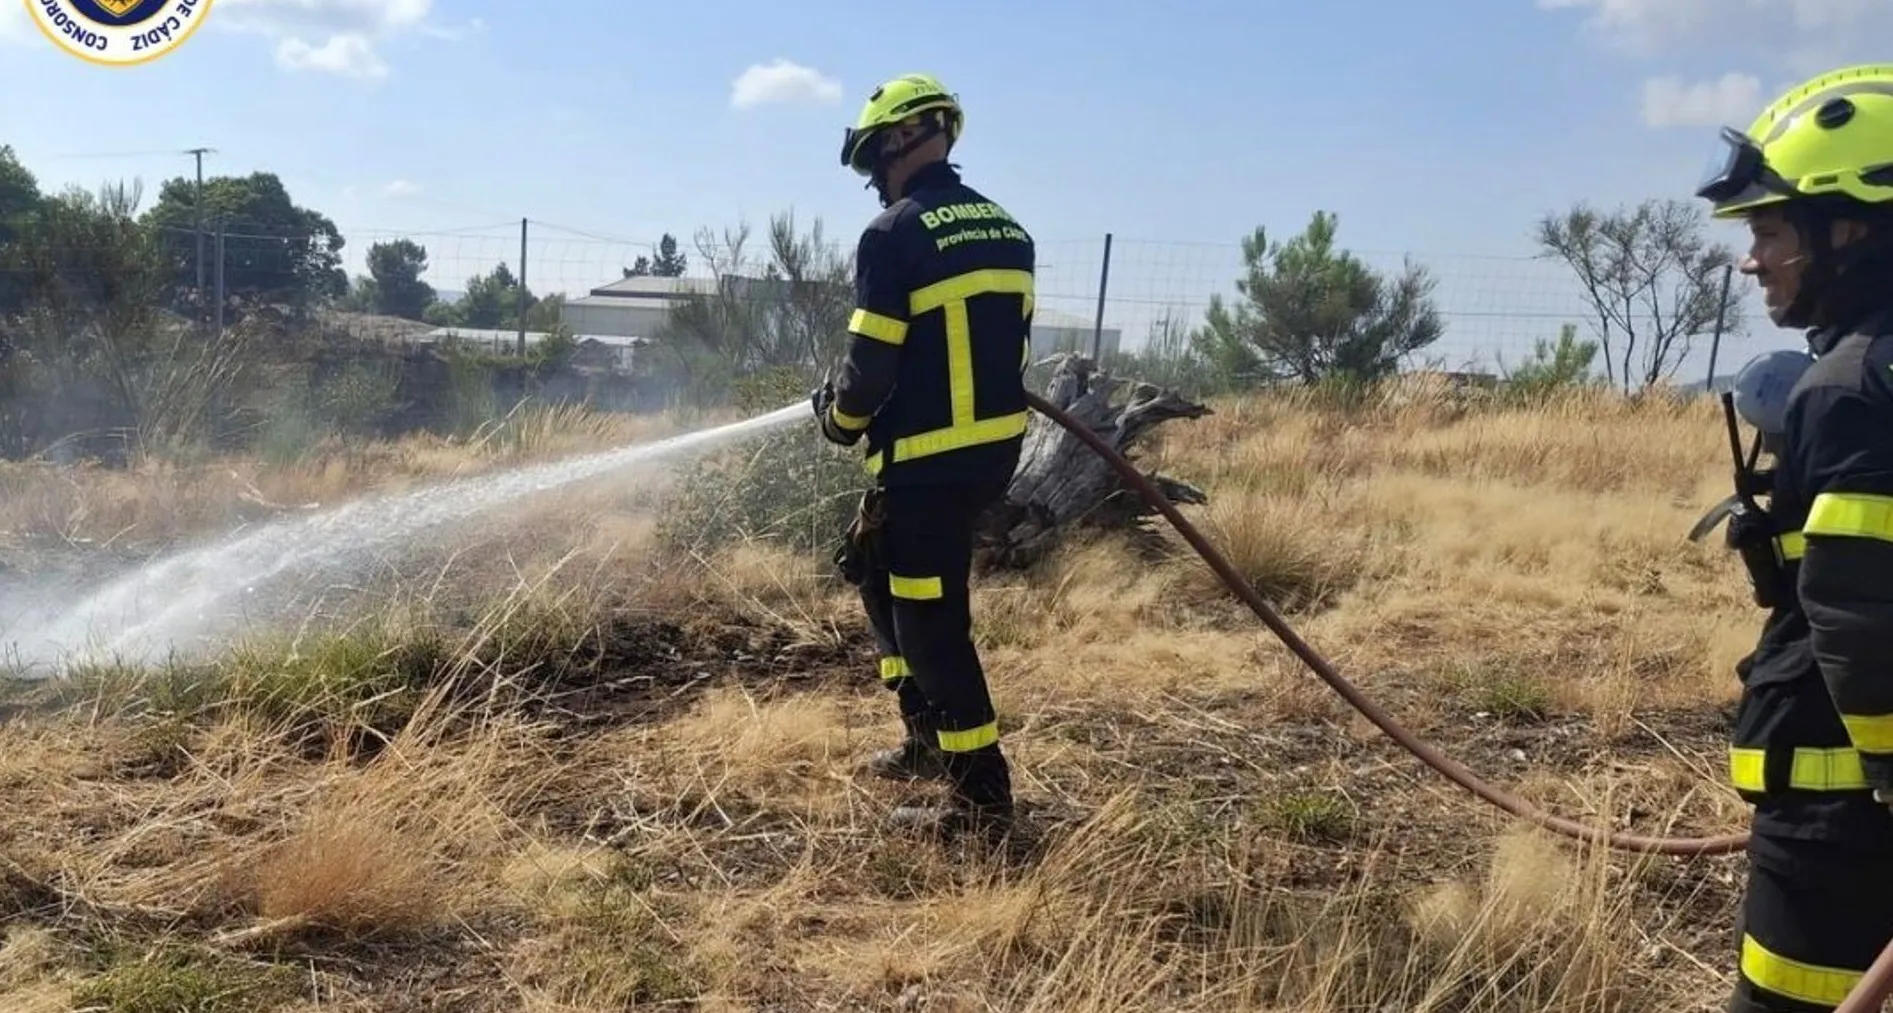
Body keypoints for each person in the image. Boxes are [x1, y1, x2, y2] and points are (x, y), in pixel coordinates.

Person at [1693, 63, 1893, 1013]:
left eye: (1770, 230)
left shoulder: (1852, 390)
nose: (1752, 259)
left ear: (1849, 226)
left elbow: (1860, 622)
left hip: (1840, 823)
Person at [810, 72, 1035, 839]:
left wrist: (838, 421)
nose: (874, 176)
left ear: (906, 140)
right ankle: (923, 740)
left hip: (927, 464)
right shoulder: (1007, 229)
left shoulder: (895, 233)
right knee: (873, 572)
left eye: (875, 157)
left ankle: (980, 802)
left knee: (932, 625)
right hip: (983, 458)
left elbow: (868, 367)